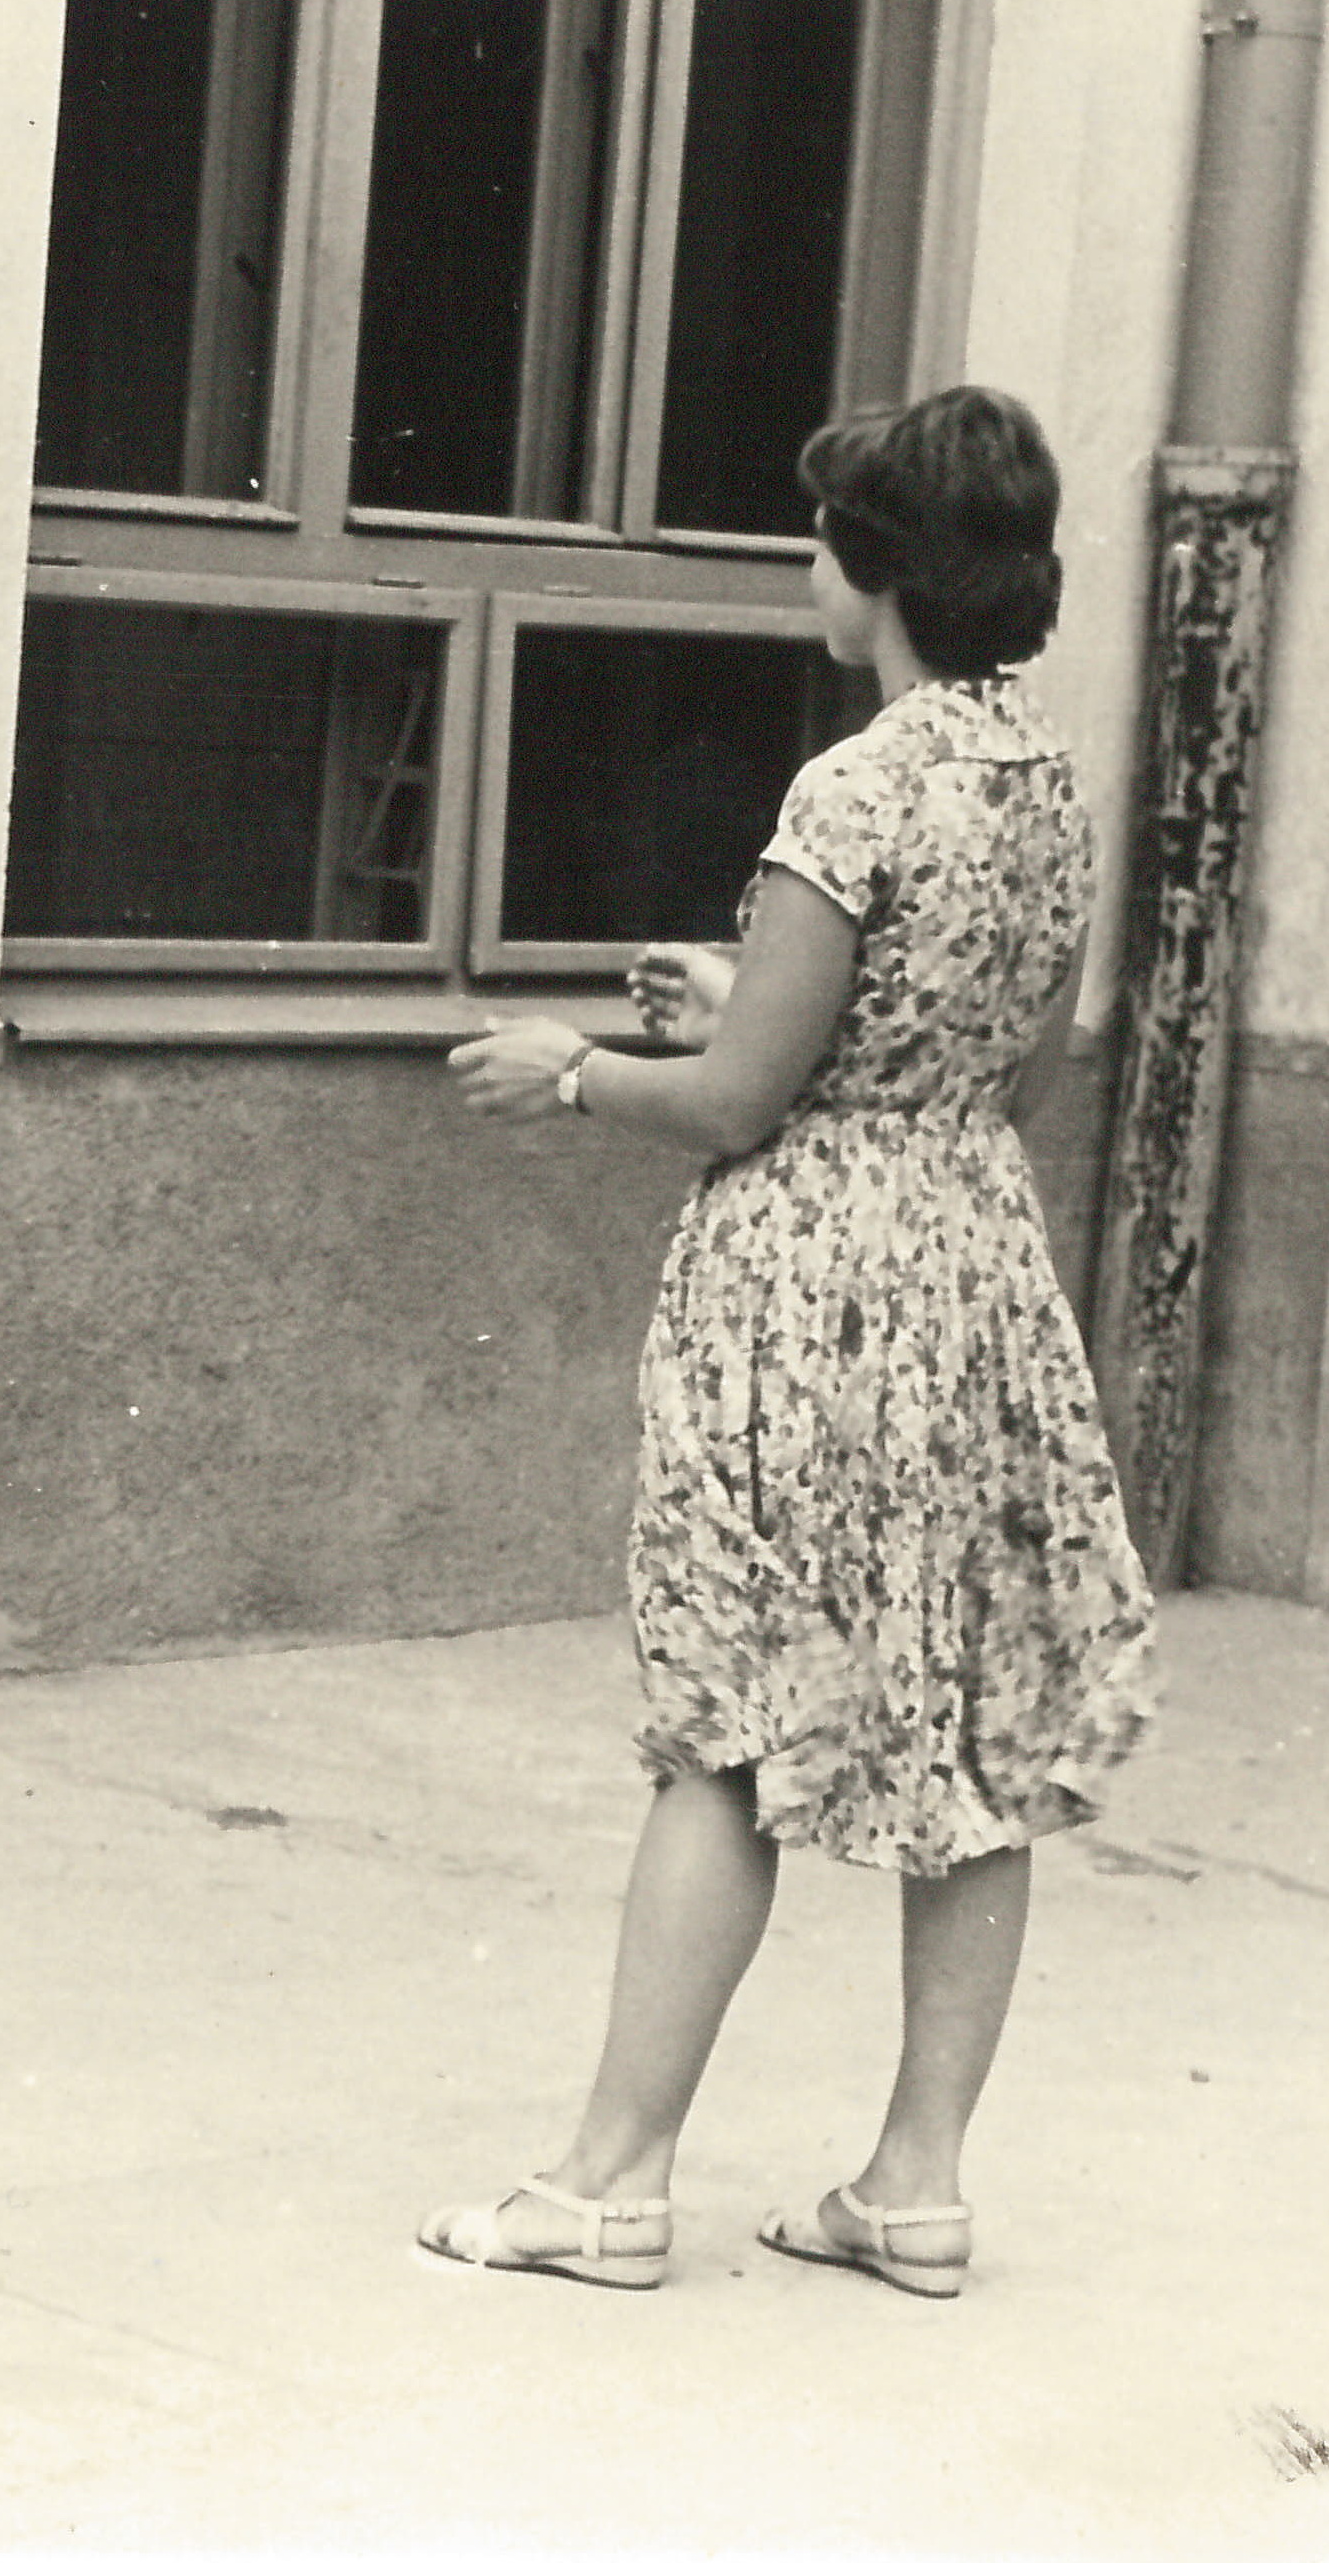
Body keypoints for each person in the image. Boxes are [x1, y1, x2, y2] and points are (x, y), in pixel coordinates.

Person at [426, 388, 1156, 2297]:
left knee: (728, 1723)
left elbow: (739, 1102)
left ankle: (607, 2181)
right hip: (971, 1267)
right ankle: (914, 2182)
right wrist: (750, 988)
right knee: (975, 1728)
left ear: (879, 571)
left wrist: (574, 1067)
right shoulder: (1042, 780)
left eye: (824, 540)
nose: (805, 566)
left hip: (805, 1286)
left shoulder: (849, 787)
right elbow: (1014, 1066)